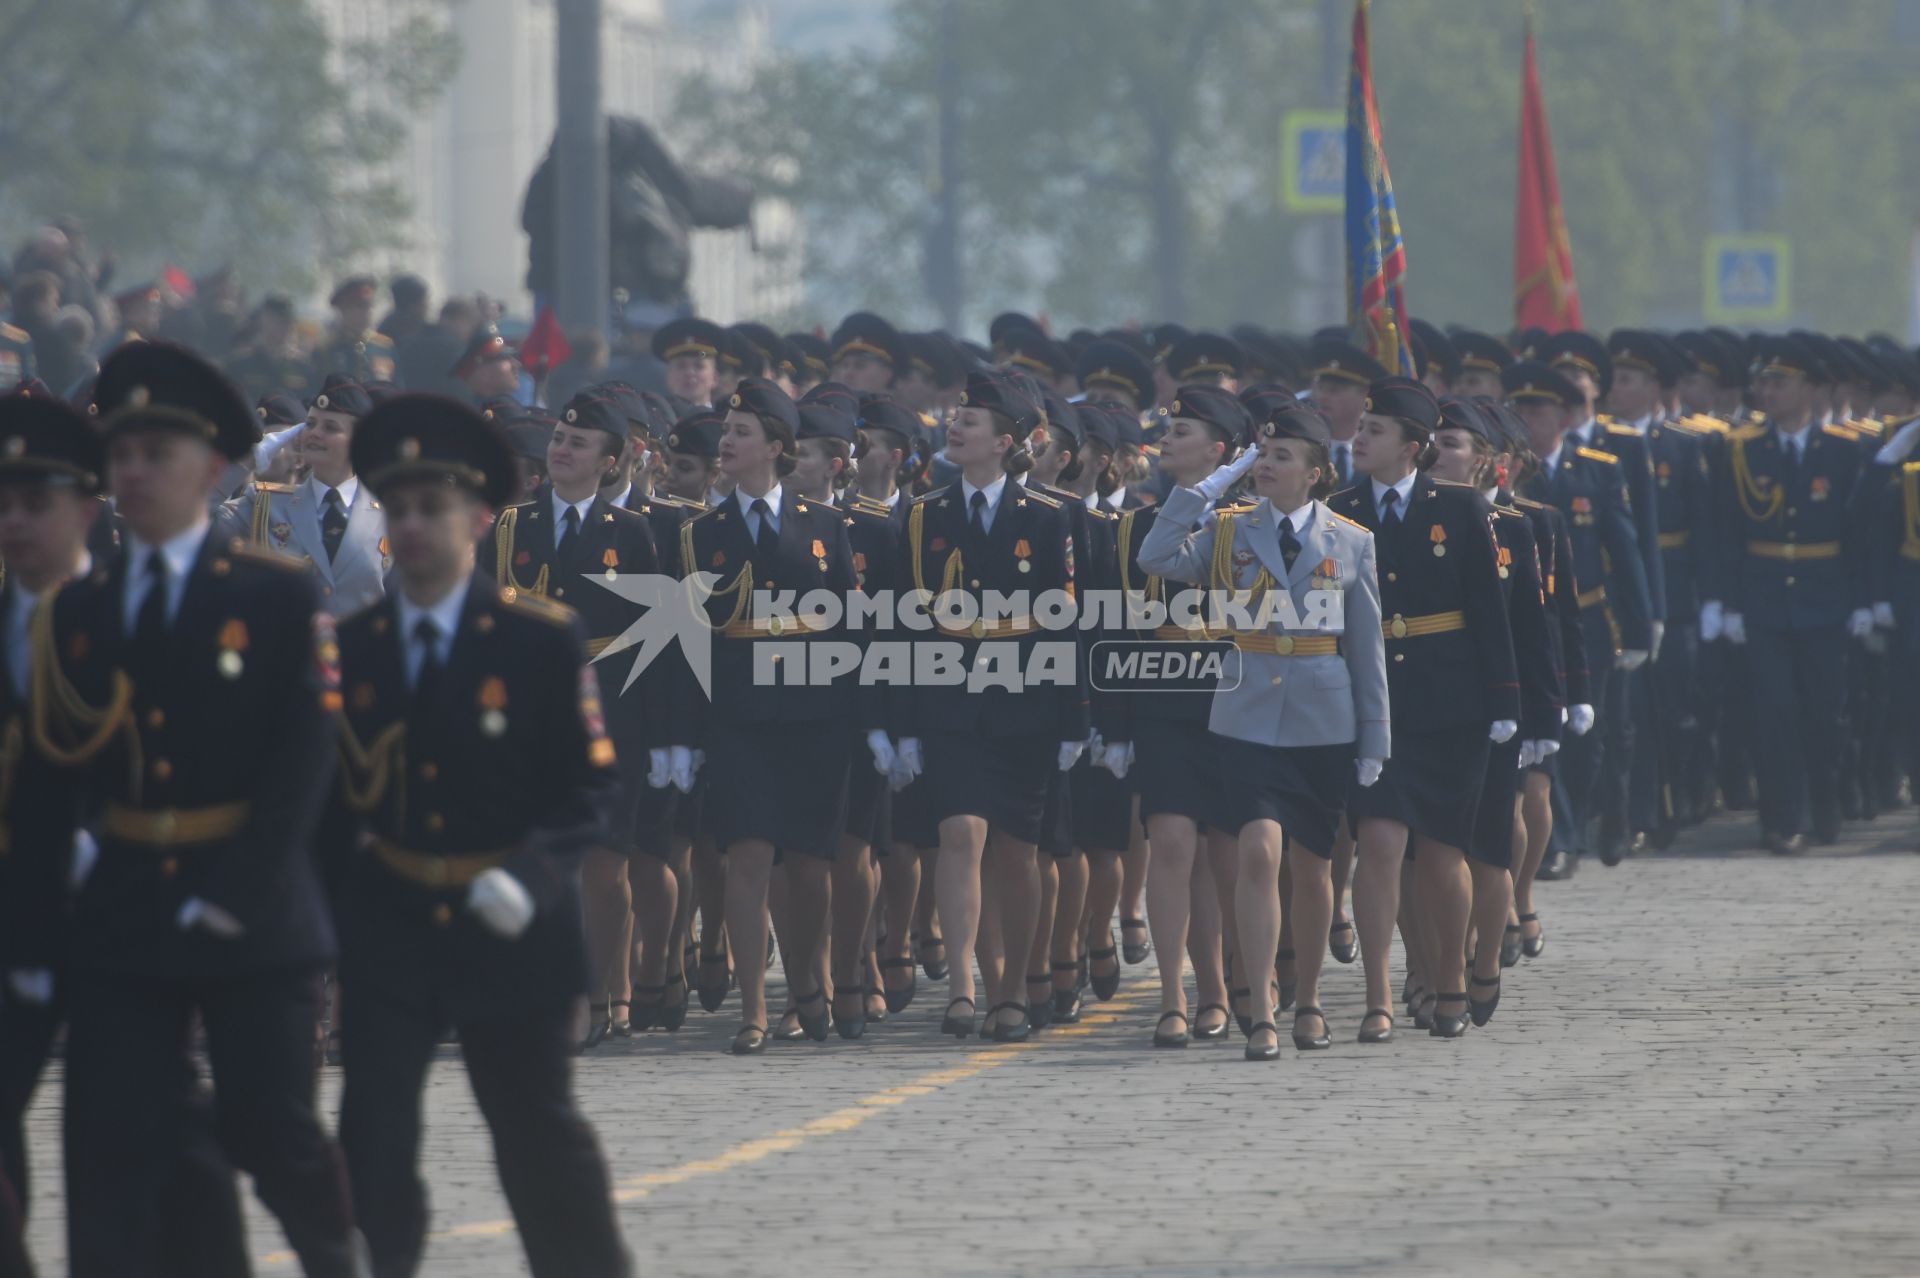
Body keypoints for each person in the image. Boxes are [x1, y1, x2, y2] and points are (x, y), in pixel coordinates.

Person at [30, 342, 362, 1275]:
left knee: (272, 1131)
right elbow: (60, 779)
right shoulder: (82, 610)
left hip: (252, 915)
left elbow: (304, 768)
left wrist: (243, 893)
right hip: (124, 915)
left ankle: (339, 1258)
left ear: (213, 470)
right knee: (113, 1143)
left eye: (156, 456)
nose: (130, 473)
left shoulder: (274, 597)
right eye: (120, 454)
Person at [326, 393, 632, 1277]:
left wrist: (531, 877)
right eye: (399, 506)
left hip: (512, 924)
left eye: (435, 507)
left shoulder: (537, 640)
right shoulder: (353, 647)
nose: (414, 526)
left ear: (481, 518)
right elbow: (332, 800)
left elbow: (588, 785)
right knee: (374, 1136)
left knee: (538, 1135)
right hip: (392, 920)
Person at [0, 389, 253, 1278]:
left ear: (86, 506)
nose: (14, 522)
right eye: (3, 502)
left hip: (130, 904)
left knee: (155, 1133)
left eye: (35, 502)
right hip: (14, 917)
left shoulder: (130, 611)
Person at [1140, 401, 1389, 1057]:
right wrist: (1212, 486)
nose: (1268, 465)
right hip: (1245, 713)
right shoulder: (1227, 531)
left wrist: (1375, 738)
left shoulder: (1352, 540)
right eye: (1262, 454)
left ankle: (1307, 999)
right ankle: (1262, 1014)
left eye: (1282, 456)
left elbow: (1366, 651)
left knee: (1312, 869)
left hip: (1323, 719)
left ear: (1314, 473)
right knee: (1257, 851)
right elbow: (1157, 553)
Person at [665, 378, 865, 1054]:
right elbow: (685, 645)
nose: (727, 441)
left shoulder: (826, 527)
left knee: (810, 868)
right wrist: (683, 737)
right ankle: (752, 1007)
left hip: (816, 716)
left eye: (742, 431)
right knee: (745, 854)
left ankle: (807, 977)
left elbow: (850, 634)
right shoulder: (701, 535)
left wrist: (874, 719)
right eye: (727, 429)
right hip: (738, 715)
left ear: (776, 448)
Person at [889, 368, 1087, 1042]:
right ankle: (967, 986)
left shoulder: (1054, 516)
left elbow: (1073, 624)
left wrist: (1075, 718)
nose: (956, 426)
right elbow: (902, 621)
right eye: (956, 416)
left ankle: (1012, 989)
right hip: (947, 699)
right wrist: (899, 723)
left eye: (971, 421)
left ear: (1006, 442)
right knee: (960, 833)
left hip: (1027, 700)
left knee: (1017, 852)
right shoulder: (920, 516)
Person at [1328, 376, 1517, 1040]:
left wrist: (1503, 702)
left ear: (1413, 446)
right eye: (1360, 428)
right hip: (1370, 702)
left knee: (1442, 853)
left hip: (1448, 701)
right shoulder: (1338, 506)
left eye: (1375, 430)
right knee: (1379, 842)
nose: (1360, 438)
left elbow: (1489, 615)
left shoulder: (1460, 509)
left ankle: (1447, 981)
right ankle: (1380, 994)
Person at [479, 393, 668, 1047]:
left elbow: (656, 641)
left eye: (579, 443)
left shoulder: (633, 533)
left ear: (609, 462)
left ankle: (600, 990)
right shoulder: (509, 528)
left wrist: (668, 737)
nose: (561, 449)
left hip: (612, 710)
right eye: (559, 437)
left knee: (605, 865)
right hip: (529, 717)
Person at [1101, 386, 1254, 1044]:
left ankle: (1220, 988)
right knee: (1170, 845)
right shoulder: (1135, 526)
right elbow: (1114, 630)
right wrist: (1113, 728)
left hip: (1234, 695)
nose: (1166, 439)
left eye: (1182, 431)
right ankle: (1170, 996)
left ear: (1218, 451)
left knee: (1226, 856)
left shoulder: (1251, 524)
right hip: (1162, 697)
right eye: (1167, 428)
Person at [1427, 396, 1558, 1026]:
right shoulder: (1389, 520)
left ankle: (1484, 953)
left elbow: (1534, 629)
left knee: (1487, 843)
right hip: (1422, 702)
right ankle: (1428, 967)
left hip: (1494, 703)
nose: (1435, 453)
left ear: (1486, 462)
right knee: (1416, 848)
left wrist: (1542, 712)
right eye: (1431, 441)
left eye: (1450, 443)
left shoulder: (1516, 527)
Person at [1709, 336, 1868, 853]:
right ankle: (1782, 819)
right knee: (1773, 712)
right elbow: (1727, 532)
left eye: (1780, 382)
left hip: (1826, 600)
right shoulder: (1742, 449)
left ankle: (1825, 802)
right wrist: (1726, 603)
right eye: (1764, 383)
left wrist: (1863, 600)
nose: (1767, 392)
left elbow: (1859, 533)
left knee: (1824, 713)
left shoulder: (1844, 450)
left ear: (1808, 388)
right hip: (1764, 601)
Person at [1504, 360, 1651, 880]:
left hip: (1586, 619)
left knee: (1590, 739)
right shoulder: (1509, 476)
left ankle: (1587, 821)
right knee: (1544, 735)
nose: (1526, 418)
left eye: (1537, 409)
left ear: (1563, 417)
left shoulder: (1596, 468)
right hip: (1525, 625)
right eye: (1518, 408)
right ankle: (1558, 840)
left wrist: (1641, 623)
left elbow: (1626, 549)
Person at [216, 379, 388, 617]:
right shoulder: (263, 503)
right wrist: (249, 461)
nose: (315, 433)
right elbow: (195, 516)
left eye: (330, 428)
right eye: (310, 424)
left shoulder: (387, 516)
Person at [310, 275, 398, 391]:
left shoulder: (384, 346)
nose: (365, 313)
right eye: (358, 307)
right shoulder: (325, 350)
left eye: (368, 306)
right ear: (342, 309)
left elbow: (397, 389)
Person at [225, 295, 312, 402]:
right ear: (264, 320)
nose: (287, 328)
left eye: (290, 322)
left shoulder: (302, 366)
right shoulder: (240, 364)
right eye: (280, 322)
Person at [651, 317, 726, 407]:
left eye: (699, 366)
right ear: (668, 377)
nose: (689, 372)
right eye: (681, 366)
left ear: (715, 378)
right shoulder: (654, 420)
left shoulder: (727, 420)